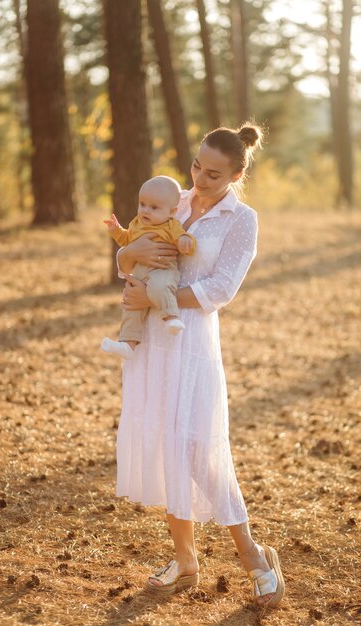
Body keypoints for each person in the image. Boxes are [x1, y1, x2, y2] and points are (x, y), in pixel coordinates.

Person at [113, 124, 285, 608]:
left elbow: (221, 289)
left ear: (236, 173)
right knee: (167, 445)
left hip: (192, 344)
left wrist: (153, 293)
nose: (200, 179)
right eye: (196, 167)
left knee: (199, 448)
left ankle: (255, 559)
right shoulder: (173, 199)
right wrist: (127, 254)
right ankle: (186, 561)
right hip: (151, 340)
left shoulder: (242, 219)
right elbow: (132, 259)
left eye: (213, 174)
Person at [101, 175, 196, 360]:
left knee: (160, 287)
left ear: (171, 211)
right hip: (139, 274)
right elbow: (126, 240)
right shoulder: (136, 224)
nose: (145, 210)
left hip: (162, 270)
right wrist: (116, 230)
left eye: (153, 207)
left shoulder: (171, 226)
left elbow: (182, 238)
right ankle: (128, 344)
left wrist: (186, 240)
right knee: (131, 307)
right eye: (142, 204)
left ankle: (171, 318)